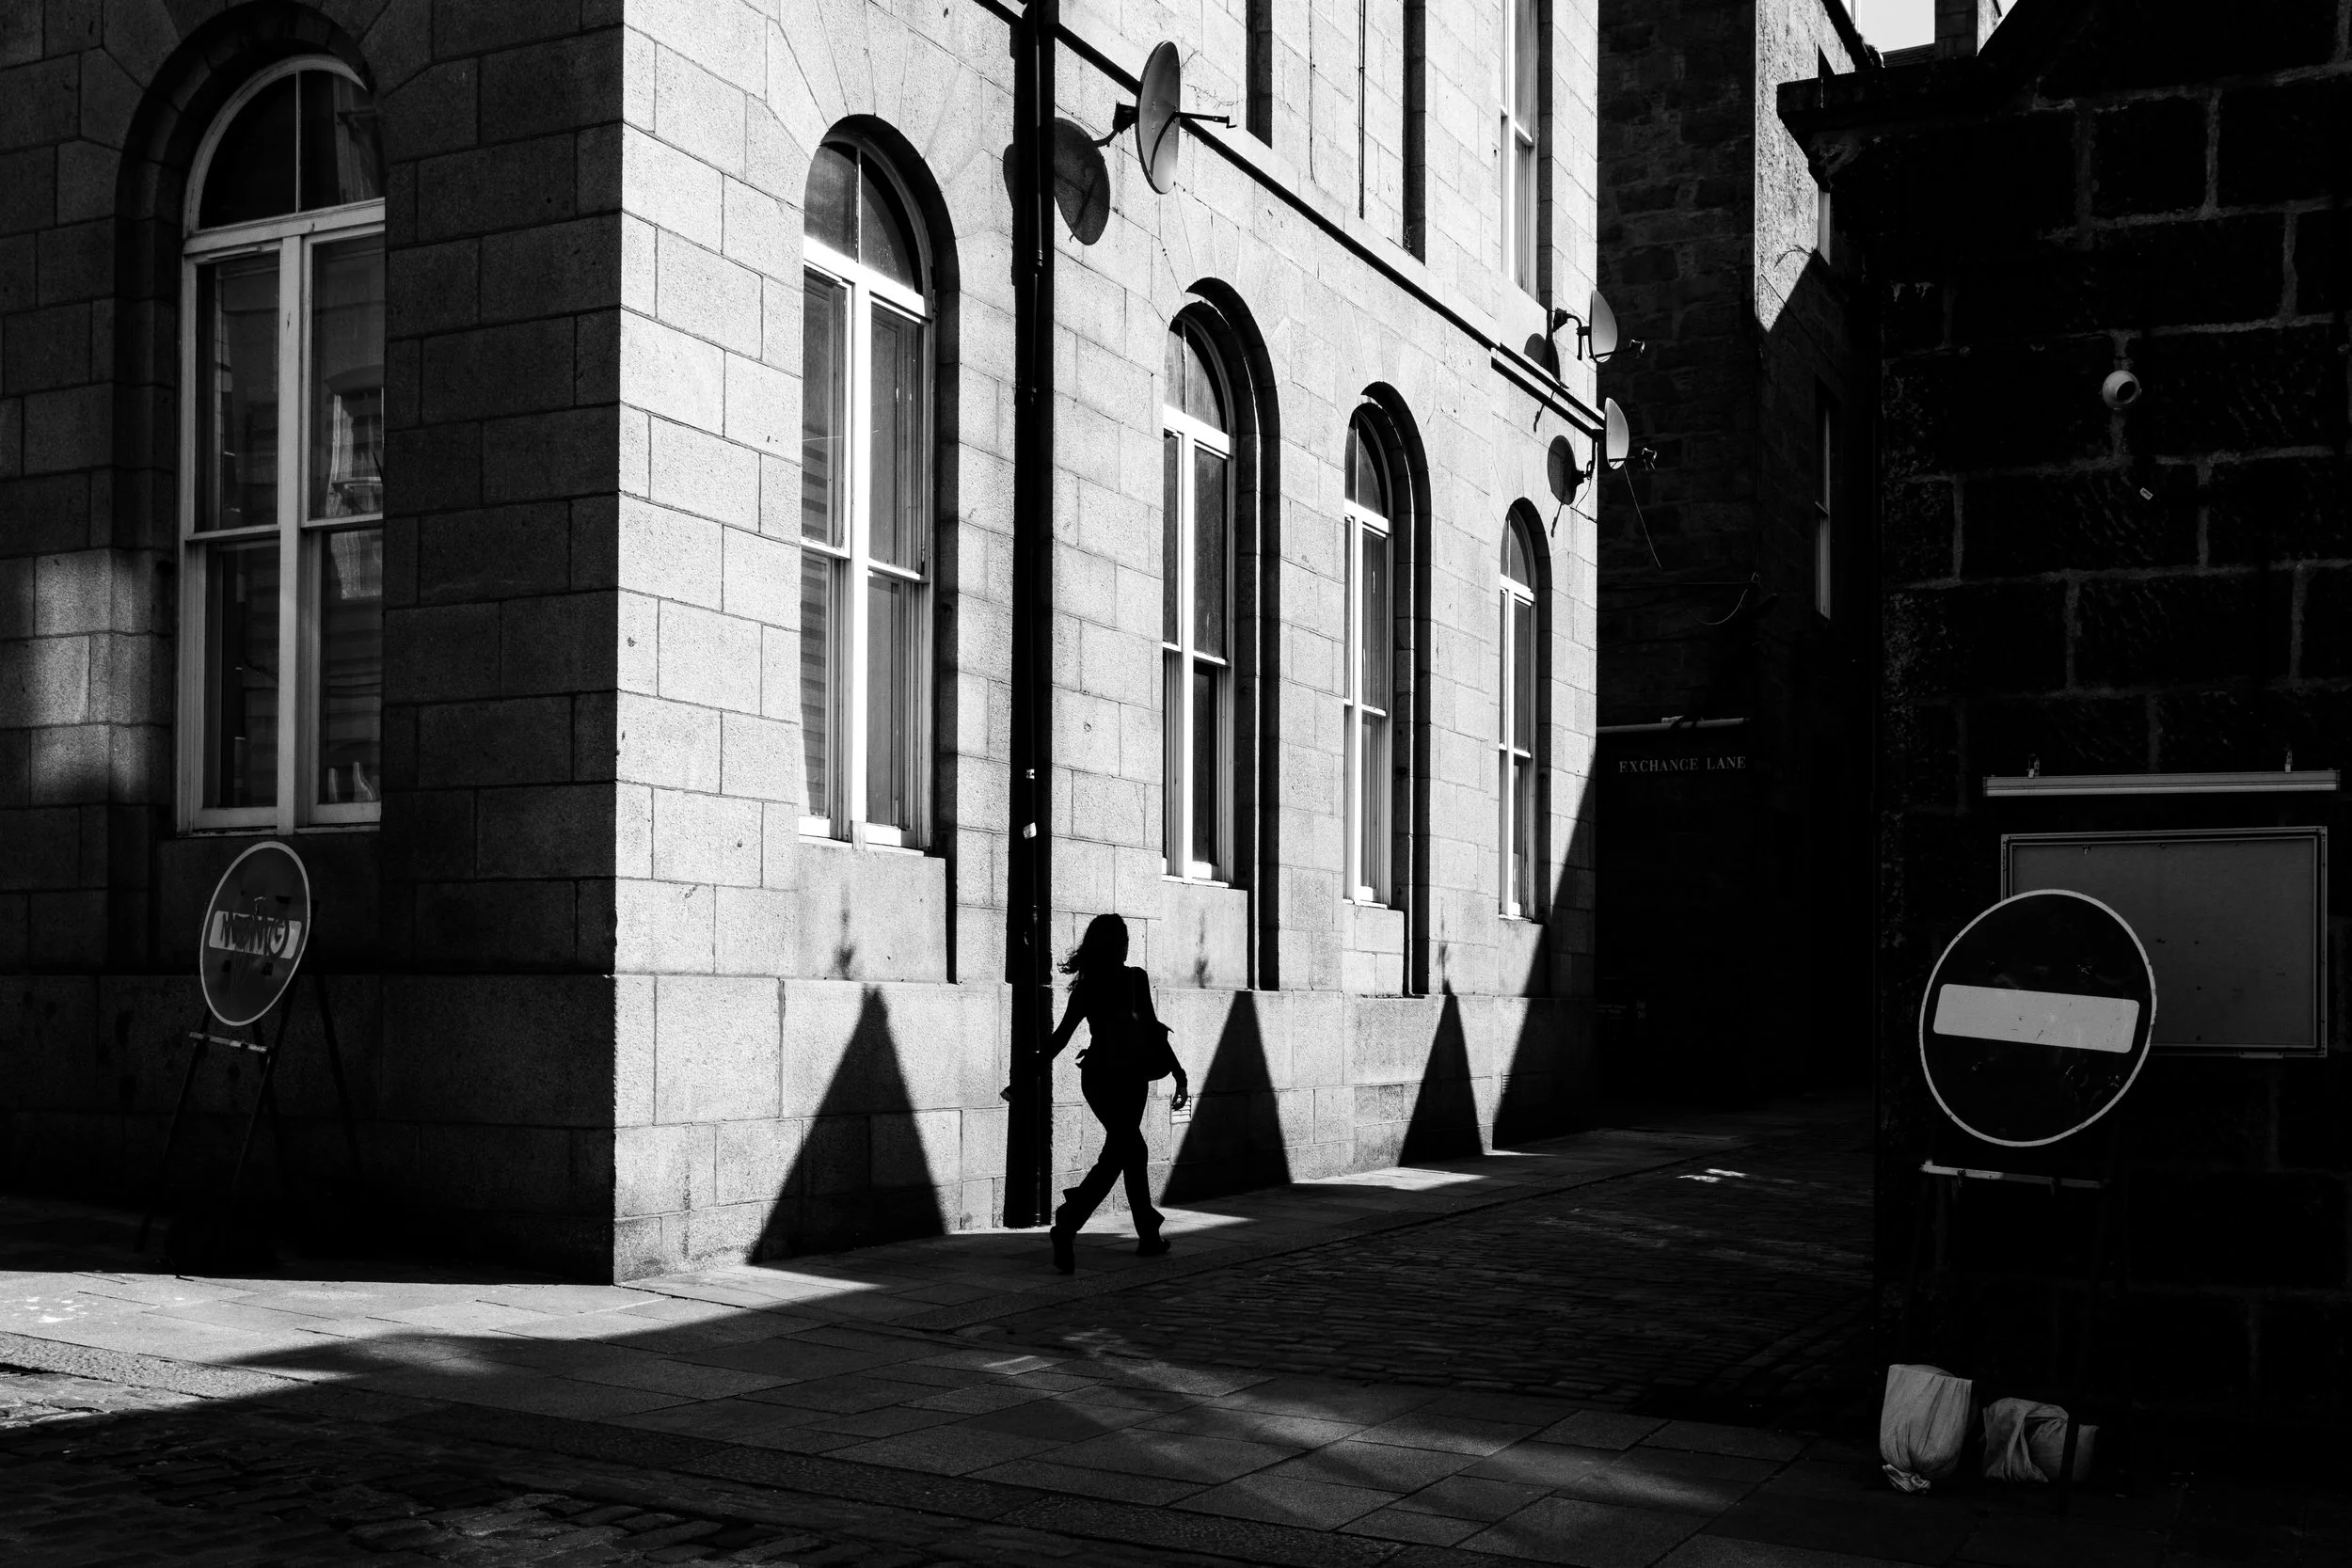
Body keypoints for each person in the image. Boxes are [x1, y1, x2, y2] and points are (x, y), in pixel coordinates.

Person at [1035, 913, 1189, 1273]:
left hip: (1100, 1078)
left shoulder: (1088, 987)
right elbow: (1152, 1029)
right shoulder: (1135, 978)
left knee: (1126, 1151)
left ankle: (1145, 1234)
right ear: (1120, 944)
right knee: (1129, 1149)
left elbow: (1061, 1036)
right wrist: (1178, 1073)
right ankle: (1070, 1222)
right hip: (1131, 1077)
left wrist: (1031, 1069)